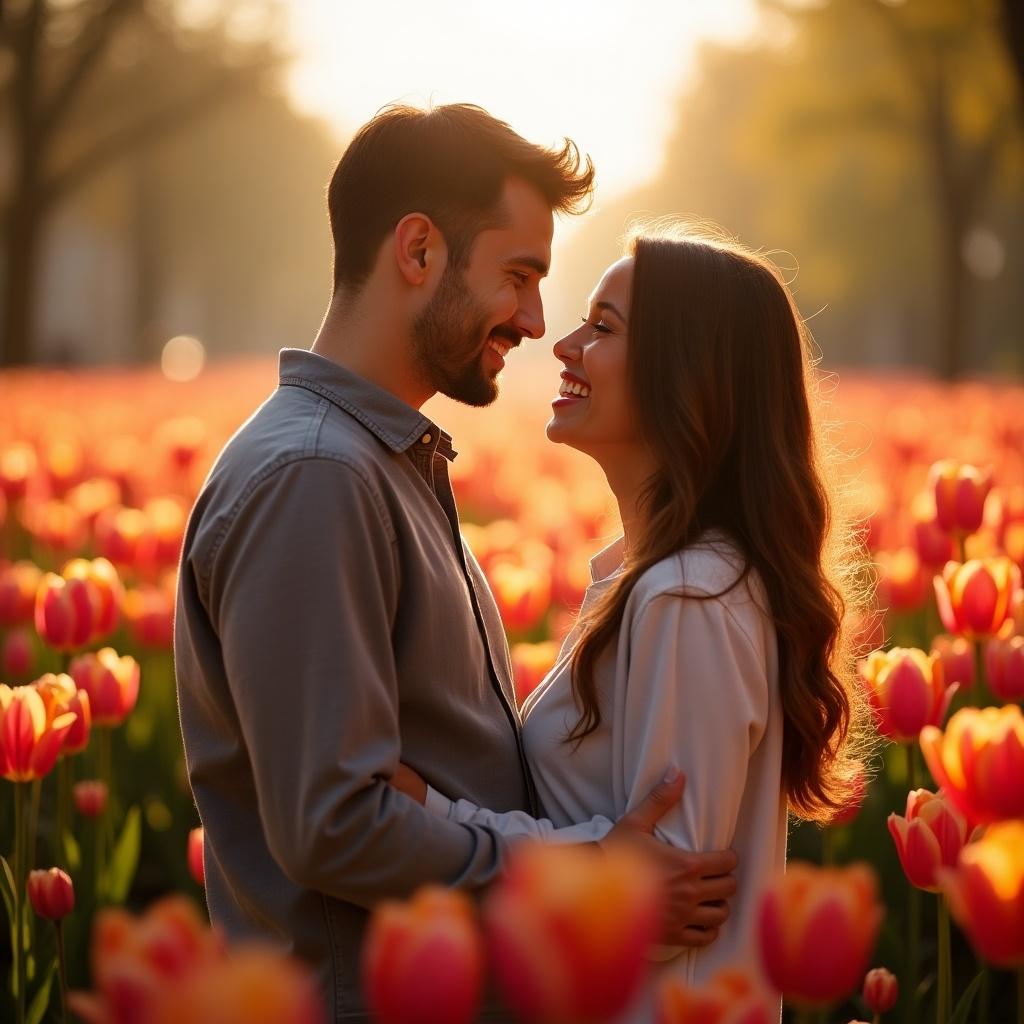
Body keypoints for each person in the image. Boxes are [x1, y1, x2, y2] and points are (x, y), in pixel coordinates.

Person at [174, 105, 738, 1023]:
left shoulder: (376, 462)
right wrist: (586, 875)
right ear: (419, 251)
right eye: (518, 274)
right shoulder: (318, 476)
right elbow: (336, 827)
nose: (535, 318)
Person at [393, 223, 869, 1016]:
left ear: (688, 376)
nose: (564, 344)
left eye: (603, 328)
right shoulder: (655, 580)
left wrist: (426, 815)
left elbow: (664, 912)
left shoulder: (690, 596)